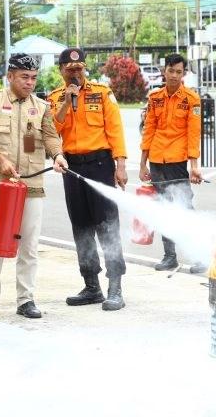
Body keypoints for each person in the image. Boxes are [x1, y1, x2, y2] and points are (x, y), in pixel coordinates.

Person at [0, 53, 65, 318]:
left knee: (29, 247)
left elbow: (50, 137)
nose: (30, 82)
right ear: (10, 76)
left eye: (33, 78)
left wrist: (58, 155)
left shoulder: (41, 107)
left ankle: (26, 300)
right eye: (24, 77)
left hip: (31, 184)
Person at [47, 47, 129, 311]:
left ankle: (115, 287)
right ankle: (91, 285)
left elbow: (115, 130)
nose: (75, 73)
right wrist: (65, 102)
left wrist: (121, 165)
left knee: (107, 226)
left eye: (79, 68)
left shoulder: (102, 93)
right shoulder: (55, 98)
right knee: (81, 227)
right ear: (61, 71)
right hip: (72, 167)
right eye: (70, 69)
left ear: (85, 68)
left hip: (100, 165)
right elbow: (52, 130)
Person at [139, 53, 205, 273]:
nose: (174, 76)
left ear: (184, 73)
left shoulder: (191, 99)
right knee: (164, 208)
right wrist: (143, 163)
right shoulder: (155, 97)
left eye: (179, 72)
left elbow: (193, 133)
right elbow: (149, 130)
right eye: (171, 71)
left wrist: (194, 166)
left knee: (184, 208)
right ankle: (169, 257)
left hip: (177, 162)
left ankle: (200, 256)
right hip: (157, 160)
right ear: (164, 71)